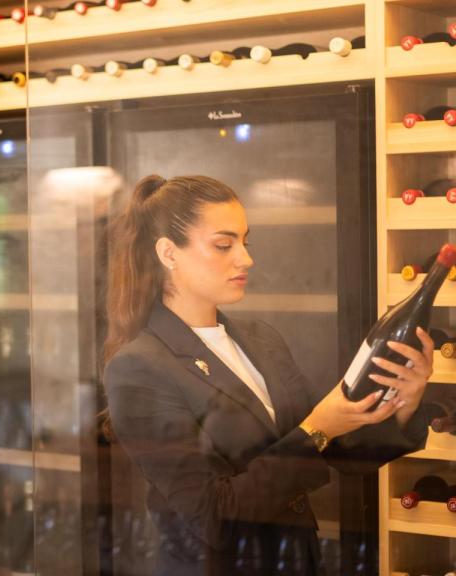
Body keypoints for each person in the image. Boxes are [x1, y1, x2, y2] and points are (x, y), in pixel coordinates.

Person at [103, 175, 433, 576]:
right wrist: (316, 429)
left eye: (245, 242)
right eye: (224, 245)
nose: (245, 258)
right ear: (168, 253)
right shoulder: (139, 368)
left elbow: (338, 449)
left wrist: (404, 402)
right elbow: (214, 516)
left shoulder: (261, 340)